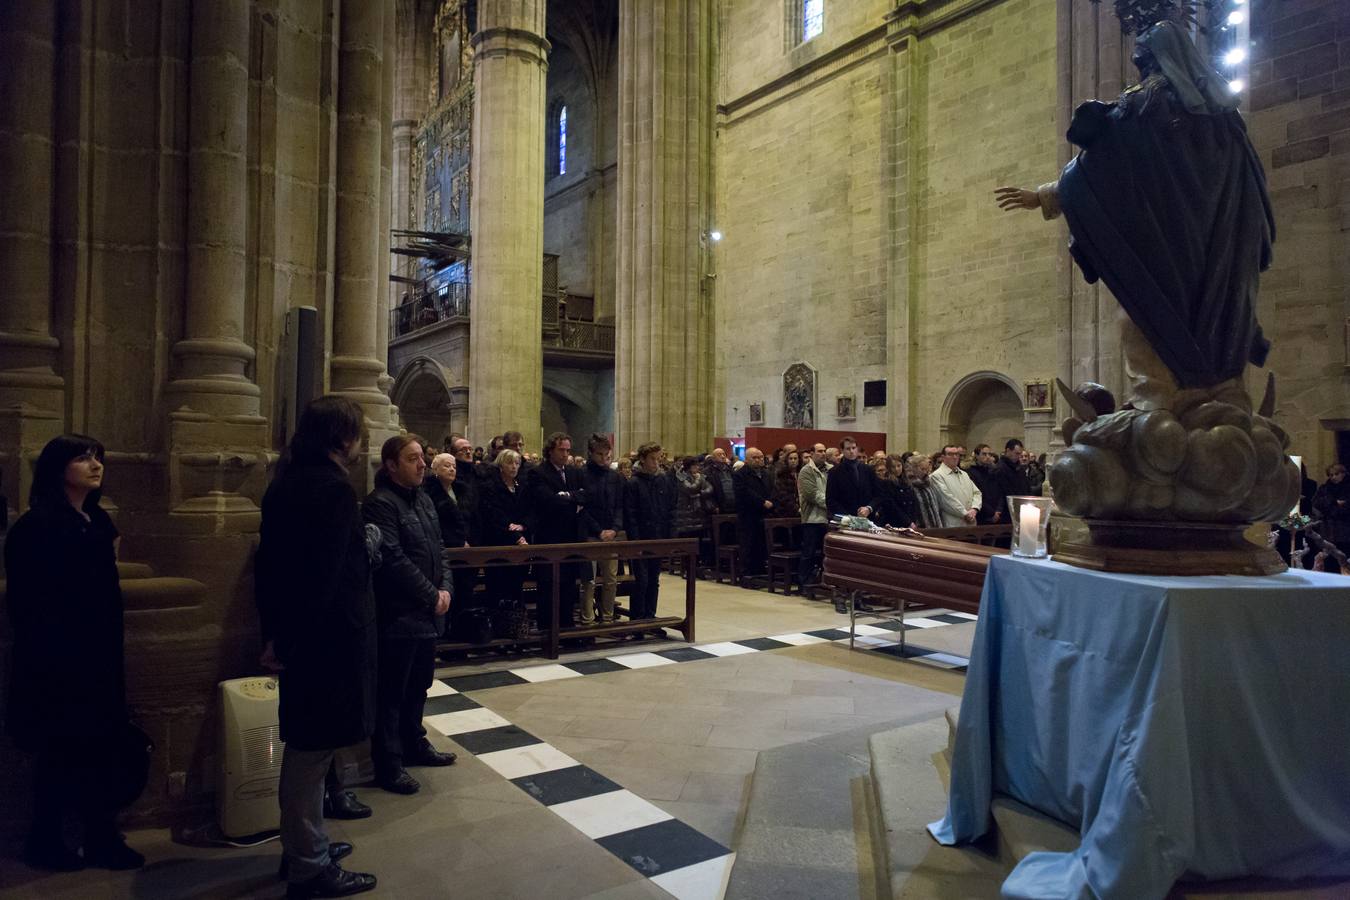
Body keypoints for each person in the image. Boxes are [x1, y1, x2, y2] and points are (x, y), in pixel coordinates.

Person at [996, 21, 1274, 399]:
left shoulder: (1145, 103)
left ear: (1153, 59)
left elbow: (1099, 165)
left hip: (1166, 245)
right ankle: (1213, 400)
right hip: (1222, 248)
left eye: (1142, 57)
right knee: (1216, 325)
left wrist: (1045, 196)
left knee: (1144, 317)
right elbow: (1253, 186)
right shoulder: (1226, 118)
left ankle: (1156, 404)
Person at [5, 435, 147, 873]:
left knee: (100, 748)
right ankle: (46, 839)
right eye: (82, 458)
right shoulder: (38, 526)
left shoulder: (99, 522)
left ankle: (99, 837)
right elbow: (30, 602)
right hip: (59, 659)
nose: (95, 464)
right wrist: (55, 656)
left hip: (100, 655)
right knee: (60, 750)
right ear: (57, 467)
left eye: (98, 457)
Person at [255, 398, 378, 897]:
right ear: (342, 437)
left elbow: (272, 568)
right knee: (310, 752)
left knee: (310, 748)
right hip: (324, 639)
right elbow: (323, 577)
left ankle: (306, 846)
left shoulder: (286, 481)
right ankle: (309, 865)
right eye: (358, 432)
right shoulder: (331, 490)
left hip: (300, 634)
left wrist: (274, 633)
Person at [363, 435, 455, 796]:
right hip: (398, 615)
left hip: (428, 613)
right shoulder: (381, 504)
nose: (421, 464)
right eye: (412, 458)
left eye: (422, 457)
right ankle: (388, 762)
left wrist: (445, 587)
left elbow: (439, 549)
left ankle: (415, 743)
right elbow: (392, 558)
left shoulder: (425, 501)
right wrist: (432, 595)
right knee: (392, 691)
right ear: (390, 465)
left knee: (419, 685)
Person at [525, 432, 587, 633]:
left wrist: (567, 496)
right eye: (561, 450)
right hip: (549, 537)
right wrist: (573, 502)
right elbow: (547, 501)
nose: (566, 454)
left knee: (569, 586)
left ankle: (566, 628)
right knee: (549, 585)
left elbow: (585, 496)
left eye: (568, 450)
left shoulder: (574, 472)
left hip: (571, 537)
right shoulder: (538, 472)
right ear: (550, 450)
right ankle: (548, 630)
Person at [624, 442, 675, 629]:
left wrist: (669, 537)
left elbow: (669, 509)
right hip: (641, 539)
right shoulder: (633, 483)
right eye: (652, 459)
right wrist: (635, 542)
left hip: (657, 537)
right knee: (641, 580)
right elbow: (630, 515)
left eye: (658, 458)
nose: (656, 463)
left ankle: (650, 616)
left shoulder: (662, 480)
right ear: (642, 460)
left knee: (654, 579)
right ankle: (637, 620)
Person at [578, 434, 624, 625]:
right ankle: (587, 619)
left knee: (610, 579)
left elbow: (620, 505)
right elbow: (582, 508)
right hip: (590, 534)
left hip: (611, 535)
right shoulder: (581, 474)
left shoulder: (614, 476)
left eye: (607, 454)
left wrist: (614, 529)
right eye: (599, 454)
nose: (604, 458)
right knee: (588, 581)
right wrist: (598, 531)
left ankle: (607, 617)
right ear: (590, 453)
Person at [479, 448, 533, 607]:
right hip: (498, 542)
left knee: (517, 587)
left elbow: (530, 510)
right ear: (501, 465)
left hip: (521, 541)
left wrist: (523, 526)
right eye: (510, 463)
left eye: (517, 463)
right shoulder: (490, 486)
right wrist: (514, 533)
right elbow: (492, 514)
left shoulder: (521, 486)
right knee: (497, 589)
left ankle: (516, 625)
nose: (514, 467)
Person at [734, 447, 775, 579]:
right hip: (748, 515)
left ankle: (760, 570)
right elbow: (744, 492)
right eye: (755, 458)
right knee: (748, 544)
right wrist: (761, 501)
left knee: (761, 544)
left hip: (764, 514)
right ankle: (746, 573)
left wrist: (771, 501)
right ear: (746, 459)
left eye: (760, 457)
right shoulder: (740, 474)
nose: (758, 460)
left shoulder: (766, 473)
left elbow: (773, 489)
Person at [797, 443, 829, 588]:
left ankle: (823, 580)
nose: (823, 453)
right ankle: (804, 582)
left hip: (828, 518)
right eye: (819, 451)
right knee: (808, 553)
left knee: (826, 553)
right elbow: (812, 494)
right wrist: (832, 504)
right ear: (812, 453)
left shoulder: (831, 469)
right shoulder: (806, 471)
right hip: (812, 518)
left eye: (824, 451)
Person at [826, 436, 877, 522]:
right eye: (848, 448)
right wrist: (847, 516)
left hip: (867, 518)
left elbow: (878, 494)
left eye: (853, 448)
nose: (851, 451)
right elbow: (830, 500)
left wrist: (869, 508)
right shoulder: (834, 472)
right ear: (842, 451)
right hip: (845, 520)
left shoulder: (868, 469)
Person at [1312, 464, 1349, 573]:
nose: (1333, 477)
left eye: (1336, 474)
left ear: (1343, 473)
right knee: (1329, 559)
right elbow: (1316, 502)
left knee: (1345, 557)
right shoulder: (1325, 488)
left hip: (1345, 528)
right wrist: (1334, 502)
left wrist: (1331, 508)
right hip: (1328, 530)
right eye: (1331, 475)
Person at [989, 439, 1032, 523]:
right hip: (1006, 512)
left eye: (1020, 453)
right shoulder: (1000, 469)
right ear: (1008, 451)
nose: (1019, 456)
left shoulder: (1019, 468)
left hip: (1021, 509)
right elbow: (1002, 492)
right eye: (1017, 453)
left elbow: (1026, 487)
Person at [905, 454, 944, 529]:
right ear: (914, 468)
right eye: (922, 469)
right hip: (919, 526)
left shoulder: (928, 483)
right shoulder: (909, 485)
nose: (925, 472)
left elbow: (935, 506)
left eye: (927, 469)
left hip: (934, 525)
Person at [705, 446, 737, 513]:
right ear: (713, 458)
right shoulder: (708, 472)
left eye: (724, 454)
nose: (722, 456)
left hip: (734, 504)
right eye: (719, 455)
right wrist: (714, 505)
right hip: (719, 505)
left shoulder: (731, 470)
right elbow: (708, 492)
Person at [772, 449, 801, 518]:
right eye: (790, 459)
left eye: (795, 458)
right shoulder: (782, 475)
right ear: (786, 461)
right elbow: (783, 495)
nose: (793, 461)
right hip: (786, 510)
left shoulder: (801, 474)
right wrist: (796, 509)